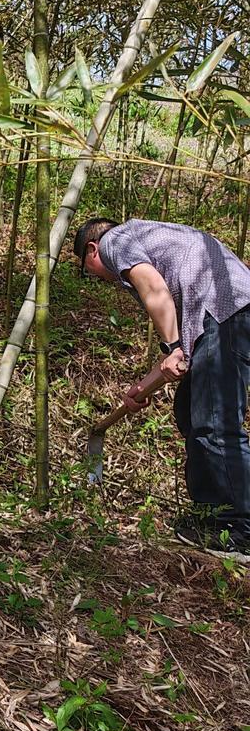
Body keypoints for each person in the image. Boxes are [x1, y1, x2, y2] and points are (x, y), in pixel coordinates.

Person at [73, 215, 250, 558]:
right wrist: (142, 388)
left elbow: (154, 289)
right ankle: (212, 516)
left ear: (92, 250)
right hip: (224, 313)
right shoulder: (150, 240)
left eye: (86, 269)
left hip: (225, 310)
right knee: (191, 412)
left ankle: (239, 528)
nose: (96, 277)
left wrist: (173, 347)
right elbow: (176, 360)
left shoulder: (115, 241)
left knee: (215, 423)